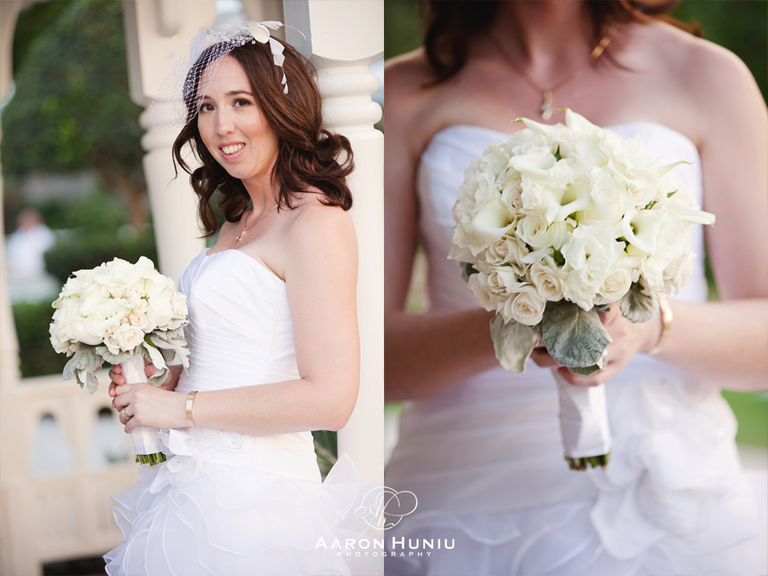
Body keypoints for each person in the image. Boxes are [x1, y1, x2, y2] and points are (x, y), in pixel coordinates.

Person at [384, 1, 767, 574]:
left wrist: (648, 326)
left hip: (661, 496)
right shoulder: (402, 91)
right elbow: (372, 359)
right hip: (461, 490)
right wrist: (516, 320)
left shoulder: (708, 75)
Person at [104, 21, 367, 576]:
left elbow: (331, 399)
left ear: (280, 107)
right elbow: (216, 359)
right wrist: (153, 390)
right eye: (205, 107)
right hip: (188, 490)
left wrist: (182, 409)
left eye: (241, 101)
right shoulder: (234, 222)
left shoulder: (314, 222)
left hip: (259, 505)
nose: (221, 126)